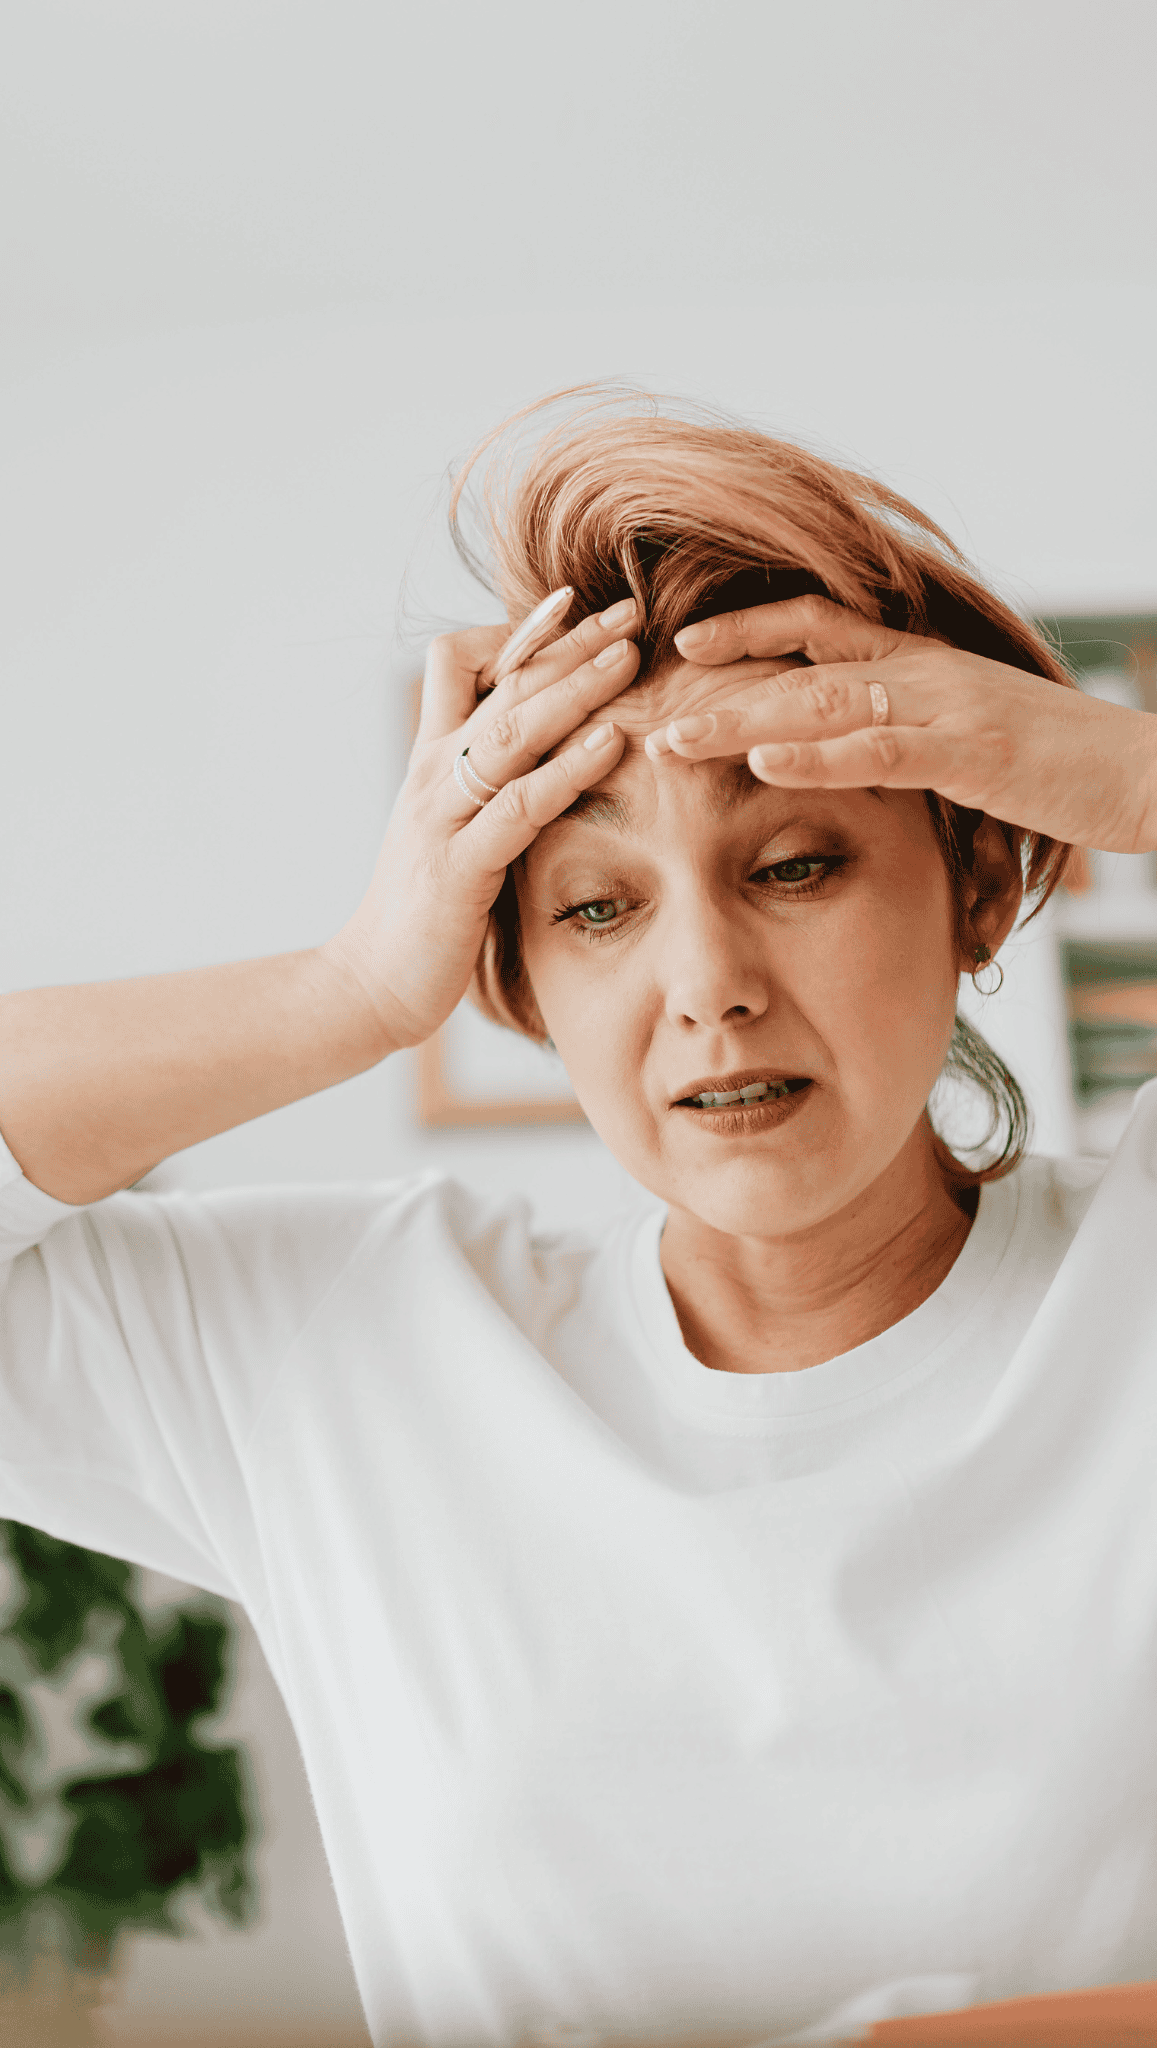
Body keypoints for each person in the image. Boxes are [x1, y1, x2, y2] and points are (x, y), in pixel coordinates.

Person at [2, 391, 1156, 2048]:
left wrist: (1122, 772)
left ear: (974, 889)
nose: (710, 988)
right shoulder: (345, 1353)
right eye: (600, 907)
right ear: (520, 976)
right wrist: (349, 988)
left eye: (796, 864)